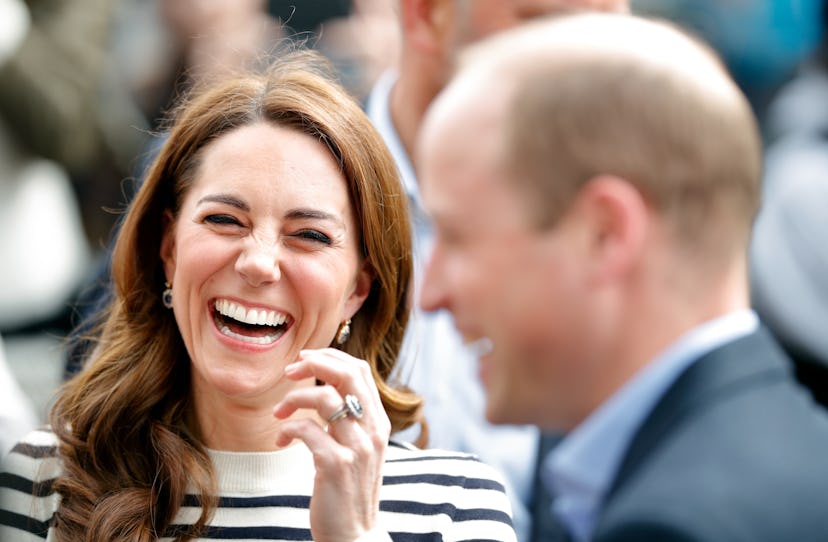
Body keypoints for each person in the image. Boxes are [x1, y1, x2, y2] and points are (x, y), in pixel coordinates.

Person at [0, 50, 516, 542]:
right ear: (169, 250)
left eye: (309, 235)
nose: (258, 263)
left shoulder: (455, 504)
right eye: (224, 220)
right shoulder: (43, 479)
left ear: (358, 289)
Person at [418, 11, 828, 542]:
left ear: (605, 234)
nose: (431, 294)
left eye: (458, 237)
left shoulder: (677, 526)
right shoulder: (788, 448)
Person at [365, 2, 628, 539]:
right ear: (425, 15)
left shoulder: (623, 219)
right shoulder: (294, 186)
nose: (590, 67)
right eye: (547, 26)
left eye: (610, 33)